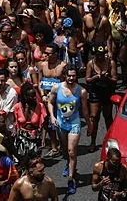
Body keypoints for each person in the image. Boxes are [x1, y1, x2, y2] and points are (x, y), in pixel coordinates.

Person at [46, 65, 89, 194]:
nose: (71, 78)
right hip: (60, 123)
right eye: (69, 75)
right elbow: (50, 102)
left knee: (71, 151)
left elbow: (85, 110)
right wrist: (52, 116)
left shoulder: (81, 91)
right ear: (64, 75)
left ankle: (71, 179)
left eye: (74, 76)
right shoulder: (56, 88)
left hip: (75, 123)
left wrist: (90, 125)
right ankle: (68, 163)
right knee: (65, 149)